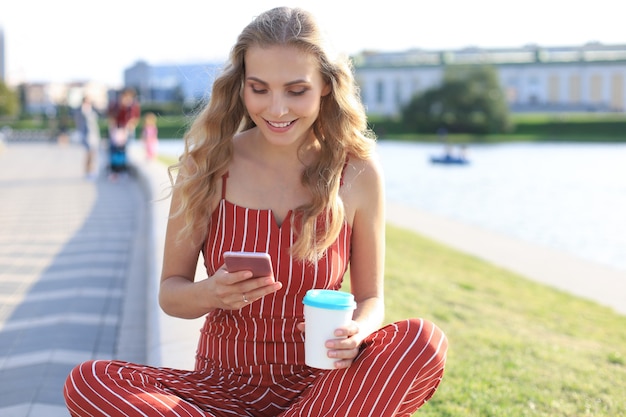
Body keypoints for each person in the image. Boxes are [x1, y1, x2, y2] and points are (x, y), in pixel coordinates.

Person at [63, 7, 448, 416]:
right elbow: (171, 293)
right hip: (219, 389)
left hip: (323, 390)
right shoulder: (207, 165)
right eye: (259, 88)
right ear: (241, 87)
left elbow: (371, 298)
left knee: (423, 342)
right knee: (89, 381)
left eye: (296, 90)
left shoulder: (358, 172)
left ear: (325, 87)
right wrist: (209, 292)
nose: (276, 109)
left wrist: (358, 330)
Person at [107, 88, 140, 179]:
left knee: (125, 152)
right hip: (116, 131)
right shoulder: (116, 105)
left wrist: (130, 125)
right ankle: (114, 171)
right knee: (114, 152)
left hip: (127, 132)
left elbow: (135, 118)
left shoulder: (133, 106)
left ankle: (123, 170)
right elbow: (111, 118)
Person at [74, 96, 101, 179]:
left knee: (93, 154)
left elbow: (97, 118)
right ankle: (88, 171)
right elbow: (79, 123)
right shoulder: (80, 112)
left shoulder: (92, 110)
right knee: (89, 154)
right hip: (86, 135)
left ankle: (91, 171)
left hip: (94, 135)